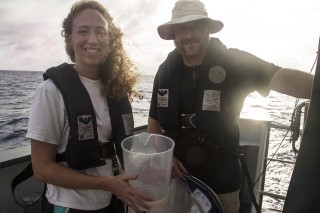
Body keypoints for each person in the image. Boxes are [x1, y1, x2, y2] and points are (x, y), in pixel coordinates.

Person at [147, 0, 314, 212]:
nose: (188, 35)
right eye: (181, 29)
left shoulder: (235, 62)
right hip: (179, 178)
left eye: (196, 26)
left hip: (222, 180)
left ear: (207, 29)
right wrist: (165, 156)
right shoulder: (164, 71)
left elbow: (280, 77)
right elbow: (153, 121)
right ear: (174, 35)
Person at [27, 1, 152, 212]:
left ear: (110, 40)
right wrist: (105, 184)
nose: (93, 39)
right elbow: (41, 169)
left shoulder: (115, 89)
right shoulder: (50, 92)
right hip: (69, 205)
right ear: (69, 38)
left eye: (101, 31)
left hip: (113, 200)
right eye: (83, 31)